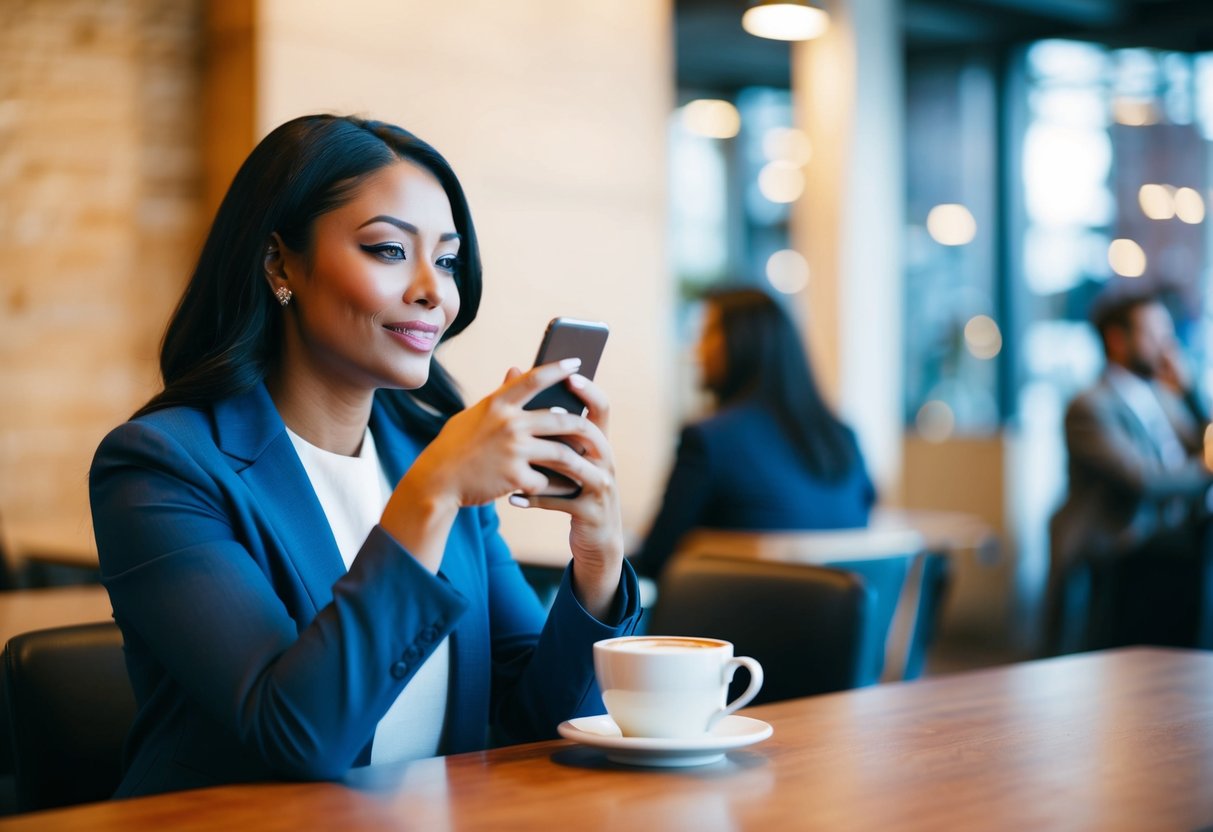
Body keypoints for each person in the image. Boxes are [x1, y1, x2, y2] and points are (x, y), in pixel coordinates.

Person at [89, 114, 641, 798]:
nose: (433, 292)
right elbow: (298, 738)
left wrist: (596, 560)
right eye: (387, 250)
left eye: (445, 259)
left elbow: (538, 725)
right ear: (279, 262)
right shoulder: (159, 466)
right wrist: (431, 494)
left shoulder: (431, 450)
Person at [630, 287, 876, 581]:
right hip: (841, 626)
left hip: (726, 625)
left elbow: (655, 560)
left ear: (740, 341)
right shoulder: (843, 438)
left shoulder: (710, 440)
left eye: (707, 333)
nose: (696, 350)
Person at [1047, 291, 1213, 653]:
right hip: (1119, 546)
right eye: (1153, 335)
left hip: (1172, 547)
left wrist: (1191, 392)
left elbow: (1204, 437)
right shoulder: (1089, 405)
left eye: (1167, 334)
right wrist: (1206, 468)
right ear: (1117, 340)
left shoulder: (1163, 397)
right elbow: (1142, 479)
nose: (1166, 346)